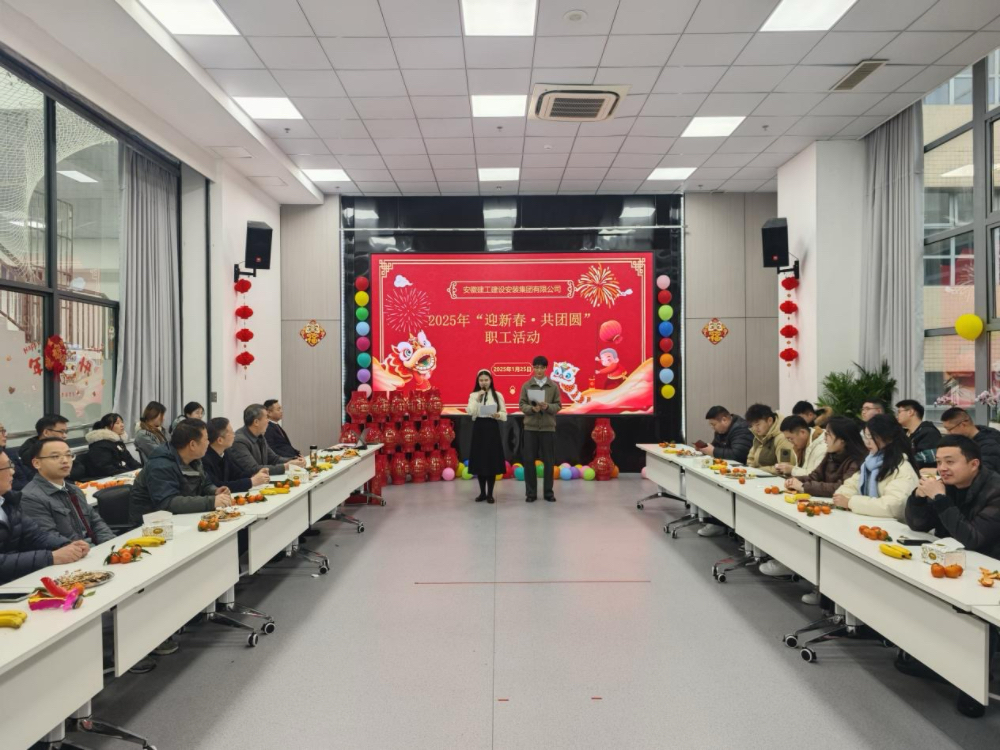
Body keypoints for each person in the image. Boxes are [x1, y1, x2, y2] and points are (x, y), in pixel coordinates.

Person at [0, 449, 90, 585]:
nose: (13, 472)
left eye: (11, 465)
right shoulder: (27, 496)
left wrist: (67, 545)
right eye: (7, 467)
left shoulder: (8, 501)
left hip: (17, 580)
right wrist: (50, 557)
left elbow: (35, 535)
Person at [905, 436, 1000, 557]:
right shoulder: (946, 484)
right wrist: (918, 498)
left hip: (986, 562)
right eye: (939, 462)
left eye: (949, 462)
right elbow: (918, 525)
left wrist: (940, 498)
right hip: (945, 556)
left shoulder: (995, 491)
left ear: (974, 464)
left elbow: (973, 539)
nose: (942, 468)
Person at [128, 419, 233, 526]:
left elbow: (205, 483)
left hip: (180, 519)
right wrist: (211, 502)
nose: (208, 443)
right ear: (192, 445)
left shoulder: (194, 459)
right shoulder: (160, 464)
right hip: (151, 525)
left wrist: (215, 491)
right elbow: (168, 503)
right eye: (206, 439)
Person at [21, 438, 115, 546]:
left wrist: (109, 544)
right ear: (37, 463)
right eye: (55, 456)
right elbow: (50, 539)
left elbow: (96, 522)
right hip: (72, 553)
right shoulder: (30, 497)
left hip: (96, 549)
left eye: (68, 455)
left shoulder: (74, 489)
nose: (65, 461)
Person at [832, 413, 918, 519]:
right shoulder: (869, 464)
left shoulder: (902, 468)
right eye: (865, 436)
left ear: (888, 438)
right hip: (869, 521)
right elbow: (850, 486)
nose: (867, 442)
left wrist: (851, 502)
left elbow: (894, 506)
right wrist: (842, 498)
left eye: (871, 437)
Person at [785, 417, 868, 499]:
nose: (825, 439)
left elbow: (841, 487)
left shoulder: (857, 461)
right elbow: (815, 476)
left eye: (828, 435)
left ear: (842, 440)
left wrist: (804, 486)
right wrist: (794, 480)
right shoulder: (831, 453)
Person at [518, 355, 562, 503]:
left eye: (541, 367)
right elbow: (522, 405)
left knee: (549, 461)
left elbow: (558, 405)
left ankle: (548, 493)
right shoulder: (526, 385)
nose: (538, 370)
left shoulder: (553, 386)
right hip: (530, 428)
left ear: (546, 368)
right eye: (536, 367)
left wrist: (547, 406)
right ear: (533, 368)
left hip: (548, 428)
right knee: (529, 461)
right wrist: (532, 409)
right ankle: (531, 493)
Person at [230, 404, 306, 478]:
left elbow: (274, 459)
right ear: (256, 422)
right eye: (266, 417)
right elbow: (253, 469)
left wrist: (294, 460)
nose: (268, 421)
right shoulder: (239, 441)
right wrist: (286, 467)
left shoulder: (260, 436)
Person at [467, 370, 507, 504]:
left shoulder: (497, 395)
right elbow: (470, 412)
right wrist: (477, 399)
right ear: (478, 382)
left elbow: (504, 414)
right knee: (480, 461)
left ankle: (490, 493)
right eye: (481, 380)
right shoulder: (473, 395)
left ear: (491, 381)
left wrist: (498, 415)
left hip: (492, 428)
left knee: (491, 461)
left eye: (486, 380)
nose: (484, 382)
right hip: (479, 428)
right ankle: (482, 493)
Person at [203, 417, 269, 493]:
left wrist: (255, 475)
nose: (234, 435)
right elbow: (217, 486)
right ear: (220, 440)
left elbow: (237, 474)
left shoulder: (225, 452)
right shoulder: (204, 459)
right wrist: (251, 482)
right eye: (231, 432)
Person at [940, 407, 1000, 471]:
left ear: (963, 425)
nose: (948, 433)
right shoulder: (964, 439)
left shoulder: (989, 445)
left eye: (949, 429)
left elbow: (983, 472)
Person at [85, 413, 141, 478]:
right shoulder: (100, 445)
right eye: (117, 423)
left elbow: (131, 461)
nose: (122, 425)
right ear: (106, 427)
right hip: (111, 479)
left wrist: (142, 470)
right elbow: (106, 469)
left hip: (126, 475)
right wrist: (129, 474)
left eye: (122, 422)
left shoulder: (118, 443)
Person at [745, 404, 795, 474]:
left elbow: (784, 467)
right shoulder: (759, 436)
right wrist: (751, 470)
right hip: (760, 476)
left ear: (769, 421)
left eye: (757, 424)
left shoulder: (783, 438)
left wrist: (758, 471)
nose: (755, 429)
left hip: (778, 478)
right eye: (752, 425)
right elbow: (751, 459)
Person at [18, 415, 71, 480]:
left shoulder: (61, 445)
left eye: (66, 432)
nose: (65, 436)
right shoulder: (31, 453)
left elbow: (77, 468)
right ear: (46, 432)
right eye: (61, 432)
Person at [895, 399, 941, 470]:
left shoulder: (929, 432)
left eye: (899, 412)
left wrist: (899, 462)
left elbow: (925, 458)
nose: (897, 416)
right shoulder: (903, 433)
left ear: (910, 412)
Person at [0, 420, 29, 492]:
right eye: (1, 431)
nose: (5, 435)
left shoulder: (10, 453)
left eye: (4, 431)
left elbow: (27, 473)